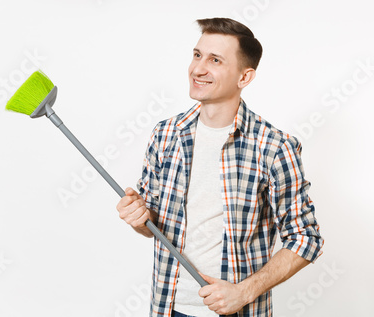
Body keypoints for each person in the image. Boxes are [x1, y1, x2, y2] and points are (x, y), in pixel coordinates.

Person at [116, 18, 324, 317]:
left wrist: (244, 291)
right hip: (168, 307)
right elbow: (152, 226)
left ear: (244, 77)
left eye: (215, 60)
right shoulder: (165, 135)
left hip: (237, 311)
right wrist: (138, 217)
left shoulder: (275, 147)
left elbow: (306, 238)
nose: (198, 69)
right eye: (197, 55)